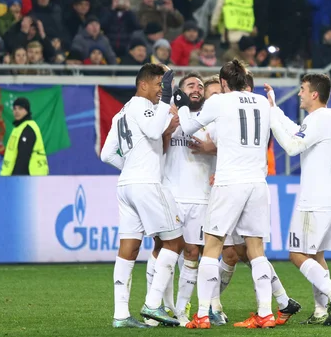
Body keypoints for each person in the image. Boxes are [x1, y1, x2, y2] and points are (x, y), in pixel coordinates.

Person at [173, 60, 274, 329]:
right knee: (256, 249)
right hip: (257, 182)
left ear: (225, 82)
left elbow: (188, 127)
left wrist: (182, 105)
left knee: (212, 246)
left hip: (230, 182)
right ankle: (265, 312)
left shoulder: (221, 101)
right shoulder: (263, 103)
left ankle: (203, 314)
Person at [212, 72, 301, 328]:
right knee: (241, 252)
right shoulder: (258, 107)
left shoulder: (235, 108)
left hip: (233, 186)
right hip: (251, 185)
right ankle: (280, 303)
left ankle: (211, 308)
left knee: (239, 251)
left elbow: (217, 143)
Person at [263, 73, 331, 326]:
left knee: (297, 254)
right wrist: (275, 110)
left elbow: (292, 147)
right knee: (316, 255)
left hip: (315, 199)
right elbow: (297, 131)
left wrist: (270, 119)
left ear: (314, 94)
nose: (299, 93)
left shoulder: (317, 119)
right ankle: (321, 311)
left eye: (302, 89)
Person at [100, 63, 184, 328]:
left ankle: (121, 315)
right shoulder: (142, 105)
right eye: (159, 85)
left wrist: (131, 167)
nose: (162, 90)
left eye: (164, 85)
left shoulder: (121, 112)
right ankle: (153, 304)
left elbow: (106, 154)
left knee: (129, 249)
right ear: (143, 84)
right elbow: (152, 130)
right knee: (174, 243)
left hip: (126, 186)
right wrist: (167, 100)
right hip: (146, 183)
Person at [160, 72, 213, 327]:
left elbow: (221, 147)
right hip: (171, 193)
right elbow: (156, 147)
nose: (197, 89)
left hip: (201, 196)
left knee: (193, 252)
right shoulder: (170, 115)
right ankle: (159, 306)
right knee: (163, 249)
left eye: (201, 86)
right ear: (181, 91)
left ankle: (181, 310)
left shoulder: (208, 118)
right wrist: (169, 127)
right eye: (191, 85)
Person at [0, 97, 48, 176]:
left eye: (20, 108)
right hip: (15, 178)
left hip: (29, 178)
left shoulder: (28, 128)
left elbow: (23, 159)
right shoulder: (18, 128)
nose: (16, 111)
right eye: (14, 109)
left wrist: (15, 178)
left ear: (27, 110)